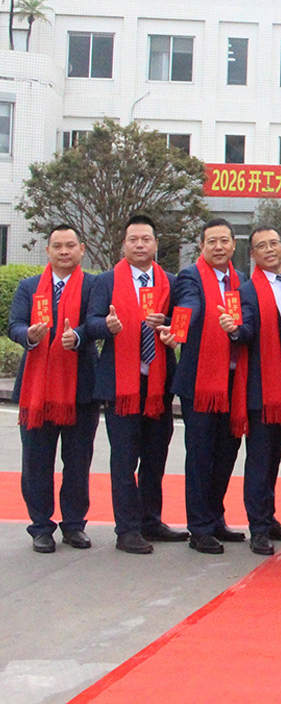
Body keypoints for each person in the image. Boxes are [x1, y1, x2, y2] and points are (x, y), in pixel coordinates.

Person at [84, 214, 186, 554]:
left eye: (146, 239)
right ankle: (127, 529)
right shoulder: (106, 281)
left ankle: (150, 520)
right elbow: (91, 322)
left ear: (156, 244)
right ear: (124, 244)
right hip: (121, 386)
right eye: (133, 239)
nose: (139, 245)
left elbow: (182, 323)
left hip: (158, 385)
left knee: (155, 457)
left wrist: (167, 322)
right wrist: (108, 326)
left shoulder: (170, 282)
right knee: (124, 460)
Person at [8, 225, 99, 554]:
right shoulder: (30, 287)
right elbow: (14, 325)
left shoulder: (93, 285)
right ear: (47, 250)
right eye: (57, 246)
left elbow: (97, 322)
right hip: (38, 390)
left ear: (81, 249)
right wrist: (29, 335)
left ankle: (74, 525)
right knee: (37, 461)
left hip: (81, 388)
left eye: (70, 245)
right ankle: (41, 527)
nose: (64, 251)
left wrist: (79, 335)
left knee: (77, 461)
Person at [167, 218, 248, 554]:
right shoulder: (191, 276)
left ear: (233, 245)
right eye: (211, 241)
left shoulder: (240, 280)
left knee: (227, 453)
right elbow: (189, 305)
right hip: (200, 382)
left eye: (224, 241)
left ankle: (215, 518)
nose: (218, 247)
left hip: (233, 381)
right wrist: (178, 329)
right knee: (201, 457)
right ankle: (199, 528)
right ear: (202, 246)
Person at [231, 225, 281, 556]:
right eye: (262, 246)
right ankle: (258, 527)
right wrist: (234, 330)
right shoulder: (247, 291)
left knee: (275, 457)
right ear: (253, 254)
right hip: (262, 387)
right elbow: (244, 328)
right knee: (259, 460)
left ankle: (269, 518)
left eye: (274, 243)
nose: (270, 249)